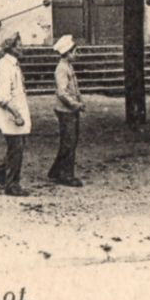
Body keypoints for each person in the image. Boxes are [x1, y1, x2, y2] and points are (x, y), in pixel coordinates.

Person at [0, 34, 31, 196]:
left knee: (15, 148)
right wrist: (17, 115)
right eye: (18, 46)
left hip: (15, 115)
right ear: (10, 48)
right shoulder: (6, 67)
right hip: (12, 117)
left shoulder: (11, 64)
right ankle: (12, 185)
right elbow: (3, 97)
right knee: (16, 149)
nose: (21, 48)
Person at [47, 35, 85, 187]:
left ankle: (56, 170)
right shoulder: (61, 69)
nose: (76, 55)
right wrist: (75, 105)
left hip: (70, 109)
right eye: (75, 52)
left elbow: (74, 88)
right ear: (68, 53)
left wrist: (80, 100)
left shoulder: (68, 66)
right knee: (69, 142)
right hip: (66, 110)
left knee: (69, 141)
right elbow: (62, 92)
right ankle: (66, 175)